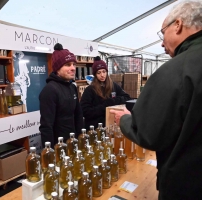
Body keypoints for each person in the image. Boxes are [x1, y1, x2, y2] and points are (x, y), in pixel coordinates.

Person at [110, 1, 202, 199]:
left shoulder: (176, 70)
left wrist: (126, 119)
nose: (161, 43)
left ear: (177, 25)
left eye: (163, 32)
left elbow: (149, 134)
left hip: (185, 186)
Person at [39, 43, 83, 147]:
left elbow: (78, 115)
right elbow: (46, 126)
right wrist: (49, 153)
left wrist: (81, 139)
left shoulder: (72, 87)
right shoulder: (50, 90)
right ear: (57, 69)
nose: (73, 68)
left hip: (73, 143)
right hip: (58, 147)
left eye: (74, 64)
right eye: (68, 65)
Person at [80, 56, 131, 130]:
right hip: (96, 128)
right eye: (99, 72)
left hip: (111, 125)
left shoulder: (113, 86)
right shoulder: (90, 90)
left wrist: (113, 101)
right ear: (95, 74)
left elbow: (127, 97)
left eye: (104, 71)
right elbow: (85, 111)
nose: (102, 75)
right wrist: (104, 106)